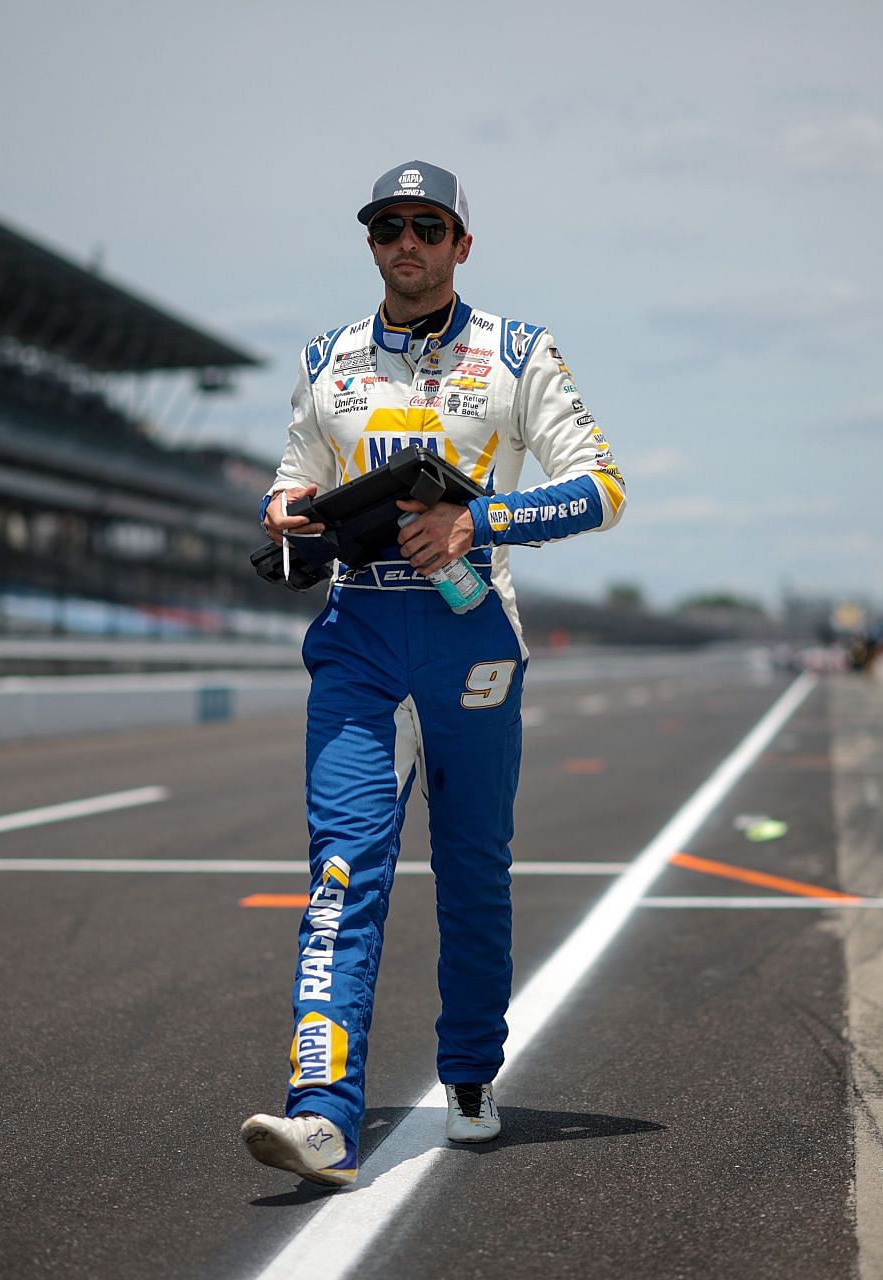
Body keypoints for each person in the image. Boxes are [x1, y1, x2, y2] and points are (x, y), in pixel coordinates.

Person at [241, 161, 626, 1186]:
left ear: (461, 242)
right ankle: (320, 1112)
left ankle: (469, 1076)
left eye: (426, 225)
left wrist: (481, 518)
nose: (404, 243)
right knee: (341, 870)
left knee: (472, 872)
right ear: (371, 242)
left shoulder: (516, 351)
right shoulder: (328, 361)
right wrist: (288, 516)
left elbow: (602, 488)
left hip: (472, 637)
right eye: (386, 227)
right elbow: (292, 482)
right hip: (360, 634)